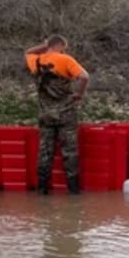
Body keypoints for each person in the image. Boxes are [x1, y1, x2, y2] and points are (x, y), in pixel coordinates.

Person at [25, 34, 89, 194]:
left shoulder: (36, 61)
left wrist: (44, 45)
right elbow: (84, 76)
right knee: (70, 151)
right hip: (66, 113)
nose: (64, 50)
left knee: (45, 151)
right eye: (63, 47)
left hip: (45, 113)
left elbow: (27, 52)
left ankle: (42, 190)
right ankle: (73, 191)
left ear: (48, 44)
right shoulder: (65, 59)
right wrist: (79, 94)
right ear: (59, 45)